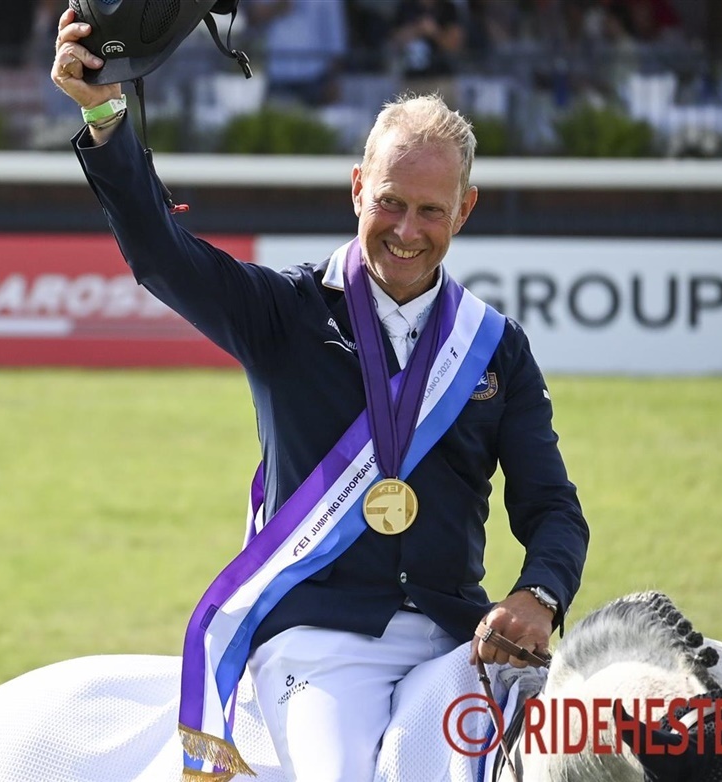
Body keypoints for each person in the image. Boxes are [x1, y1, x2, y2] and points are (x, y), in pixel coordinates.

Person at [52, 8, 588, 780]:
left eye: (431, 211)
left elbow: (552, 506)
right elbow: (161, 256)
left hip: (455, 638)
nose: (407, 230)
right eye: (391, 202)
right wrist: (106, 116)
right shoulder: (283, 312)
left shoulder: (495, 346)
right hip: (317, 645)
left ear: (465, 210)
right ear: (358, 188)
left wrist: (539, 593)